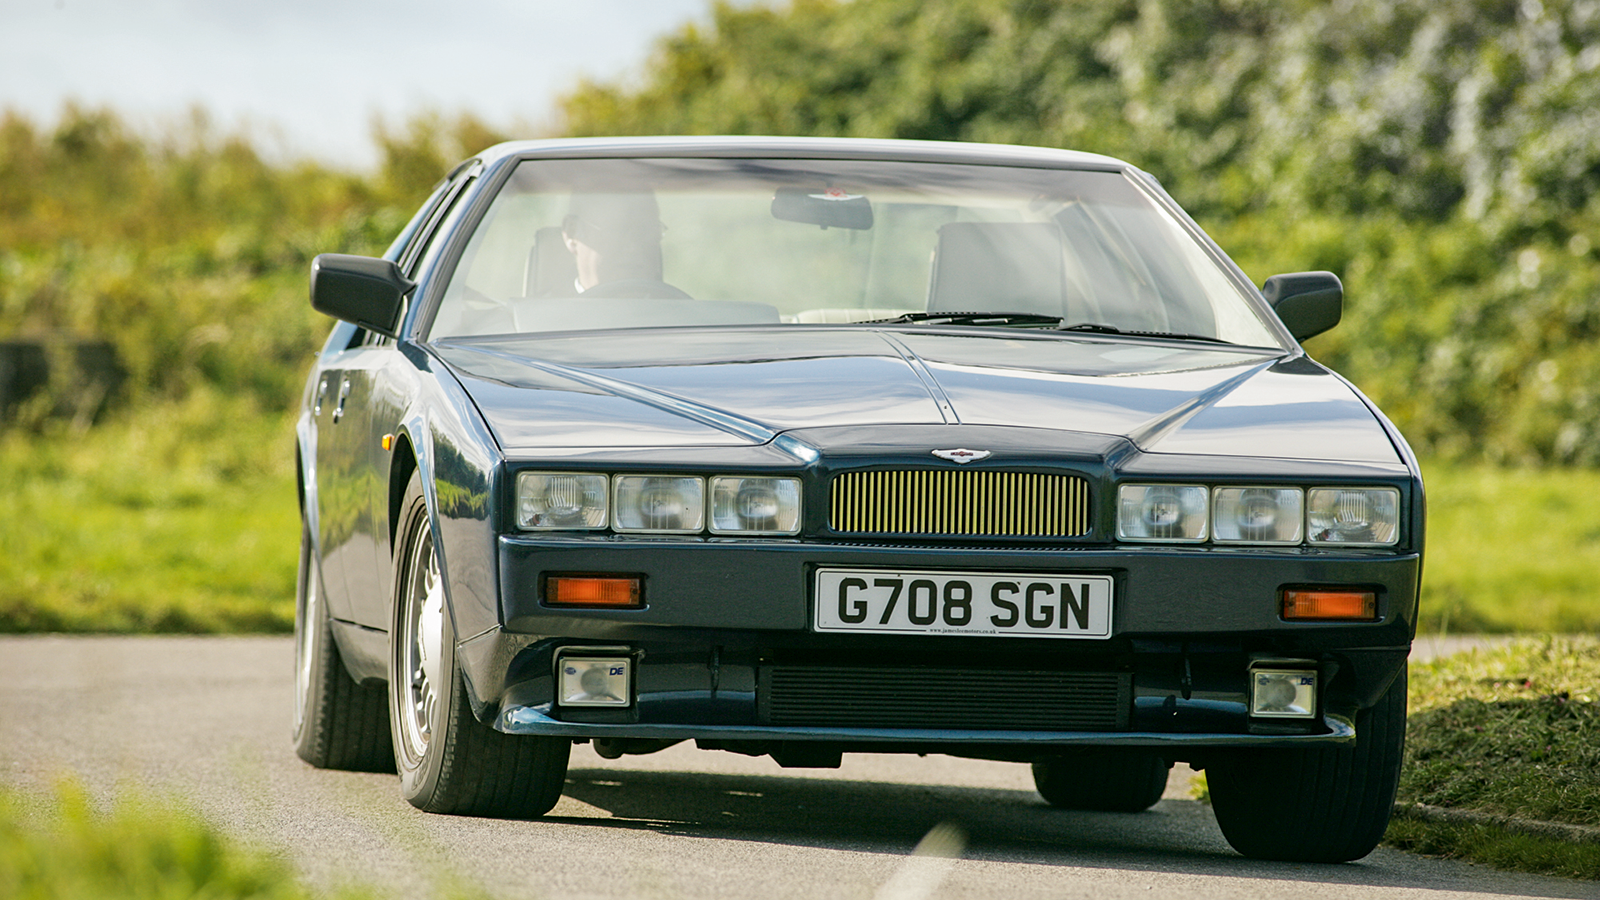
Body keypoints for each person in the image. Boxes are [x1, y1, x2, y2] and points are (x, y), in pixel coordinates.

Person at [559, 191, 686, 298]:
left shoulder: (686, 320)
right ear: (572, 234)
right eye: (615, 229)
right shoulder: (547, 322)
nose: (633, 247)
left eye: (646, 230)